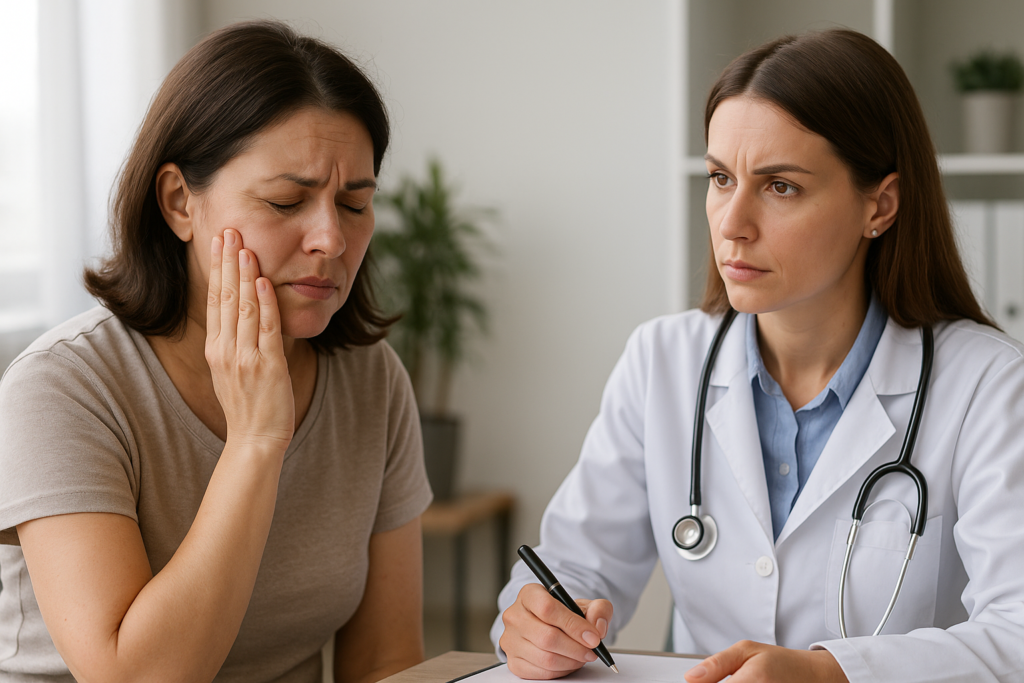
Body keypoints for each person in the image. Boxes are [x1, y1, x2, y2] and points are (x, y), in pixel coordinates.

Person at [491, 28, 1024, 683]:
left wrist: (829, 673)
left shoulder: (987, 384)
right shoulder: (662, 360)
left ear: (879, 205)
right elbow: (572, 569)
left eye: (780, 187)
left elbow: (1018, 634)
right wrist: (536, 621)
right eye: (720, 177)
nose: (731, 221)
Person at [0, 20, 432, 683]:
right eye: (287, 200)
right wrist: (257, 439)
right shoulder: (63, 387)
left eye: (354, 204)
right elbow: (133, 677)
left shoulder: (371, 380)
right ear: (179, 202)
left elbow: (384, 661)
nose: (330, 239)